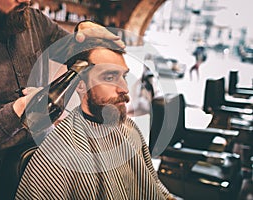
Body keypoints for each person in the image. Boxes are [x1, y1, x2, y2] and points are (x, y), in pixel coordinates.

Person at [0, 0, 125, 199]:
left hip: (44, 166)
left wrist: (84, 33)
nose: (26, 1)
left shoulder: (34, 21)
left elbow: (77, 55)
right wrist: (16, 111)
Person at [16, 38, 175, 200]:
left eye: (123, 77)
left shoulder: (129, 129)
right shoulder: (56, 158)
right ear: (80, 85)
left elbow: (153, 185)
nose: (124, 89)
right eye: (109, 77)